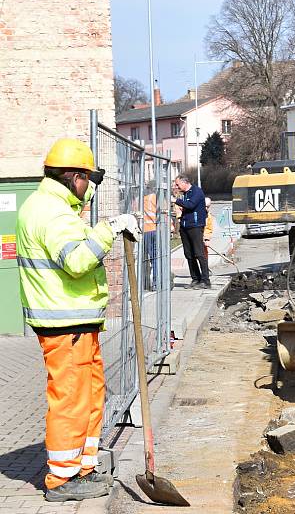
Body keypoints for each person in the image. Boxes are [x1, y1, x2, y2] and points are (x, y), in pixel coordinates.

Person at [16, 138, 141, 502]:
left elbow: (76, 243)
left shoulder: (54, 208)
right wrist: (110, 230)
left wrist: (105, 227)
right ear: (74, 177)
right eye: (88, 179)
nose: (89, 188)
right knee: (71, 399)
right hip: (64, 325)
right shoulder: (50, 212)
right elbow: (76, 261)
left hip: (76, 325)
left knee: (89, 395)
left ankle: (82, 468)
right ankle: (62, 478)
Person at [172, 174, 209, 289]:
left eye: (178, 184)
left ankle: (205, 280)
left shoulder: (196, 192)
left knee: (199, 253)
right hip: (185, 226)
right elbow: (186, 207)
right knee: (189, 254)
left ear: (184, 182)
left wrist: (175, 201)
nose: (176, 187)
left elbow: (191, 205)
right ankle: (195, 279)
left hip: (196, 226)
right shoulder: (184, 194)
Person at [142, 191, 158, 290]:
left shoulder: (140, 199)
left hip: (145, 230)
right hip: (155, 230)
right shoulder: (157, 198)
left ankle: (145, 283)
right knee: (155, 258)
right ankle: (156, 283)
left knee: (145, 258)